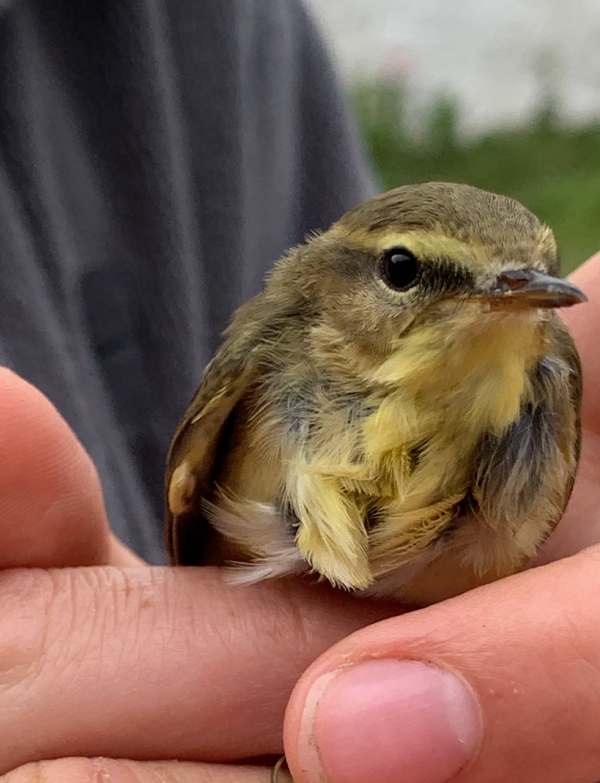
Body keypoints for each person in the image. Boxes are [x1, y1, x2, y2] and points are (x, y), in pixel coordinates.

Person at [1, 3, 599, 783]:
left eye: (531, 270)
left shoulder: (542, 397)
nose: (513, 297)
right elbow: (193, 538)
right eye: (406, 273)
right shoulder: (264, 364)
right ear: (334, 293)